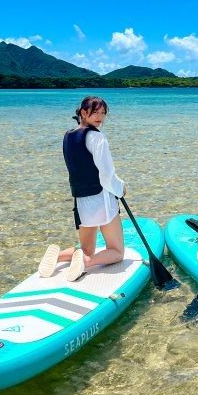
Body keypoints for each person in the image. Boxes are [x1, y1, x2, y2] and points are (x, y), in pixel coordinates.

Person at [38, 96, 126, 282]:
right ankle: (86, 262)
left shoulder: (68, 136)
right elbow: (107, 175)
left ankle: (58, 256)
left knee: (86, 247)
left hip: (82, 201)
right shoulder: (97, 138)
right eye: (95, 112)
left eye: (103, 113)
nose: (100, 117)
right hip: (102, 200)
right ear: (83, 113)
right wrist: (121, 189)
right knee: (117, 252)